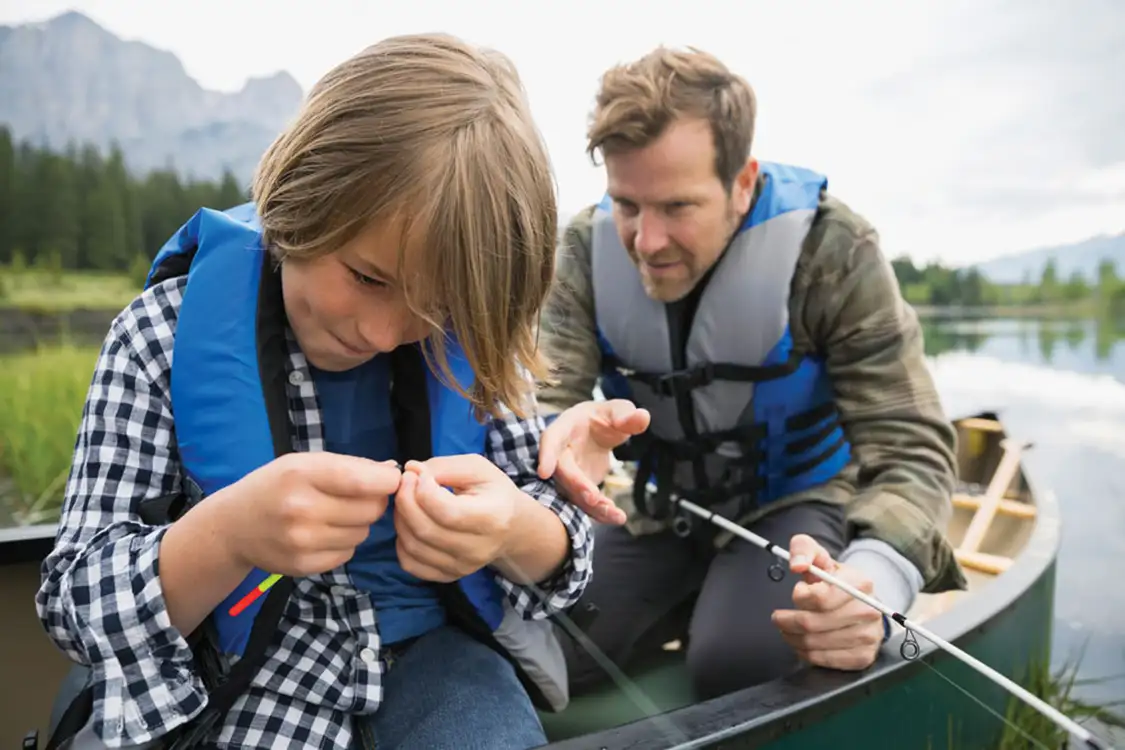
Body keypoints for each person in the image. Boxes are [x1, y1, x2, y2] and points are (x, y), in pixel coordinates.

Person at [35, 34, 604, 750]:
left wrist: (515, 529)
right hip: (237, 675)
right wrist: (228, 534)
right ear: (300, 199)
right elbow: (74, 606)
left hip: (439, 661)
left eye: (435, 309)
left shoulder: (477, 341)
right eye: (367, 277)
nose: (385, 331)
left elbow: (562, 555)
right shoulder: (157, 337)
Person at [534, 45, 968, 701]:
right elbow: (539, 411)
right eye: (626, 205)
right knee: (543, 647)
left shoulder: (831, 249)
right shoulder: (580, 252)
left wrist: (873, 582)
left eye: (676, 207)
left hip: (796, 508)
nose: (646, 242)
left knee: (743, 662)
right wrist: (551, 462)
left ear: (742, 183)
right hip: (659, 514)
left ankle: (726, 607)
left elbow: (911, 447)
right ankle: (701, 595)